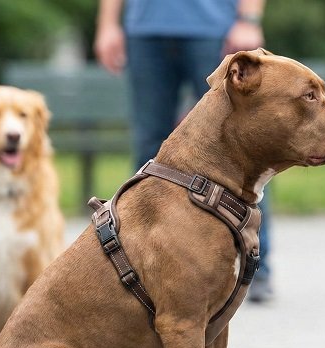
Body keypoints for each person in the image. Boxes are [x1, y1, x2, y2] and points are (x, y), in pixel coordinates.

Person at [94, 0, 276, 302]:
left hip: (215, 28)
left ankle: (255, 265)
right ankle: (139, 263)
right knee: (148, 151)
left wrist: (249, 17)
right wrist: (108, 24)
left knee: (243, 152)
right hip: (145, 30)